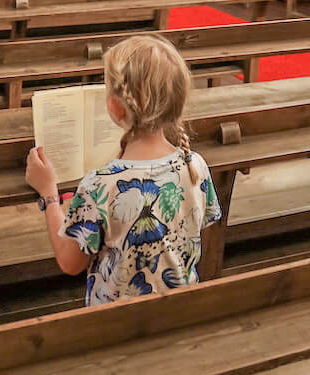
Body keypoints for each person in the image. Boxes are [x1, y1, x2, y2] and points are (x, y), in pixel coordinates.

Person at [25, 34, 222, 304]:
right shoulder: (194, 165)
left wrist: (48, 193)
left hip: (117, 326)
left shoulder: (100, 184)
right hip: (180, 313)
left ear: (115, 108)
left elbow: (69, 262)